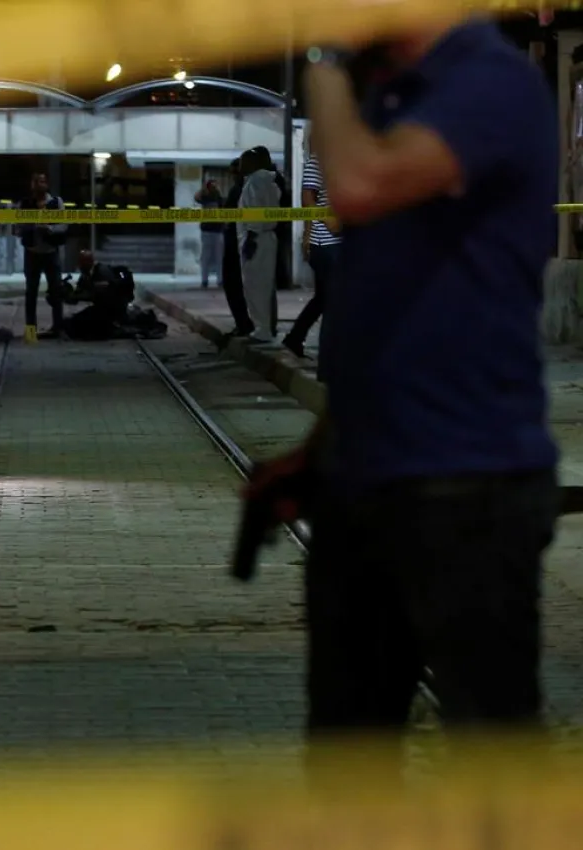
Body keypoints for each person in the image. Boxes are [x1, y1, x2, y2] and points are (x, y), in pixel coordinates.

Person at [250, 18, 561, 782]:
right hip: (369, 488)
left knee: (493, 765)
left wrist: (320, 51)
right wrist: (319, 450)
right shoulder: (393, 98)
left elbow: (357, 187)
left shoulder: (491, 82)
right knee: (347, 765)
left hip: (467, 489)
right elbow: (389, 303)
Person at [283, 148, 340, 366]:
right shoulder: (318, 160)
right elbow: (307, 197)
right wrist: (327, 222)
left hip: (337, 243)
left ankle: (295, 338)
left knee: (324, 298)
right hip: (327, 243)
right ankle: (328, 362)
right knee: (334, 301)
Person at [13, 172, 69, 342]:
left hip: (51, 253)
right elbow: (17, 227)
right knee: (31, 293)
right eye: (37, 182)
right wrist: (31, 227)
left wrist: (50, 229)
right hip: (32, 253)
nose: (40, 185)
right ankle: (31, 331)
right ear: (32, 185)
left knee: (56, 292)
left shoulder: (56, 202)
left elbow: (64, 224)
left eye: (43, 181)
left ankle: (58, 329)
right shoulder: (25, 204)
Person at [237, 146, 281, 343]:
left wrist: (251, 239)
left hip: (256, 238)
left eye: (243, 161)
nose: (240, 165)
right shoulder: (269, 181)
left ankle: (262, 329)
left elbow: (255, 209)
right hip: (266, 237)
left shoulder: (256, 182)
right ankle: (264, 327)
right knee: (263, 285)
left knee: (255, 285)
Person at [220, 157, 256, 337]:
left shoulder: (243, 190)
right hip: (238, 241)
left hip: (238, 243)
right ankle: (244, 323)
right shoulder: (244, 189)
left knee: (234, 285)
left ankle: (244, 324)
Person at [194, 177, 225, 289]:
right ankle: (205, 280)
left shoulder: (219, 198)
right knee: (206, 257)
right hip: (207, 230)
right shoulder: (205, 196)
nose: (213, 187)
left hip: (217, 230)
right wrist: (203, 188)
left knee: (218, 257)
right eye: (211, 185)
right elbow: (196, 197)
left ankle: (220, 280)